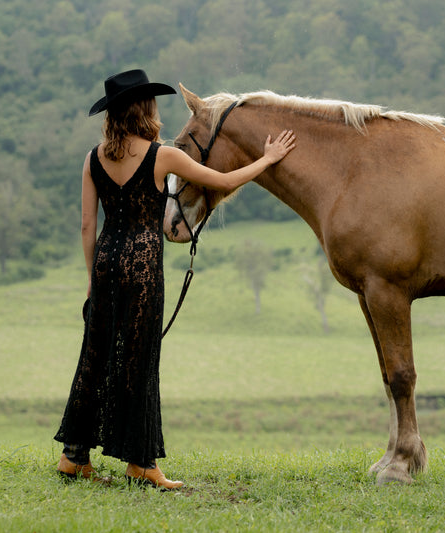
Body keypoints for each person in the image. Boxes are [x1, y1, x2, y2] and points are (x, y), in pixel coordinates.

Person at [54, 69, 296, 489]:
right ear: (145, 109)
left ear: (112, 115)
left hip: (107, 262)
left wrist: (92, 279)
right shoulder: (162, 155)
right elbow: (221, 181)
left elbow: (86, 227)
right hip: (144, 267)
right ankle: (141, 464)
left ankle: (74, 457)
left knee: (95, 357)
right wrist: (267, 160)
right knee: (140, 360)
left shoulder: (93, 158)